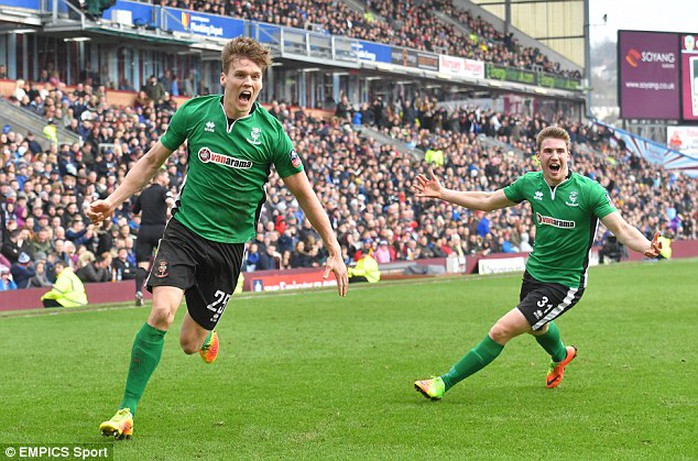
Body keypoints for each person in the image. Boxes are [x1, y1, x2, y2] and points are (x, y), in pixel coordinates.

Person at [87, 36, 348, 440]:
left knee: (190, 343)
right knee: (161, 313)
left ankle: (207, 336)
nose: (249, 82)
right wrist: (114, 199)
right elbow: (152, 162)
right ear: (224, 76)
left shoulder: (272, 134)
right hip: (185, 232)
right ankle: (127, 410)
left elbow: (304, 193)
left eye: (256, 77)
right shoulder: (194, 113)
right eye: (241, 74)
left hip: (229, 247)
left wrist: (333, 248)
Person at [412, 126, 662, 401]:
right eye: (548, 151)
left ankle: (443, 383)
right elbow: (486, 201)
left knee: (501, 330)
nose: (554, 156)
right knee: (538, 326)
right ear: (538, 157)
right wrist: (444, 193)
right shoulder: (530, 184)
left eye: (560, 151)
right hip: (534, 274)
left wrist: (646, 246)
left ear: (568, 156)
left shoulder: (589, 191)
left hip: (564, 283)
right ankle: (561, 355)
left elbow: (622, 229)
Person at [131, 169, 174, 306]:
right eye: (166, 175)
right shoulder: (163, 191)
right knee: (166, 261)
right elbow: (170, 202)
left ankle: (138, 291)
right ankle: (167, 294)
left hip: (144, 230)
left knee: (142, 264)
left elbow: (134, 212)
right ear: (160, 177)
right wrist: (171, 213)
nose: (168, 178)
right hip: (159, 229)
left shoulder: (144, 193)